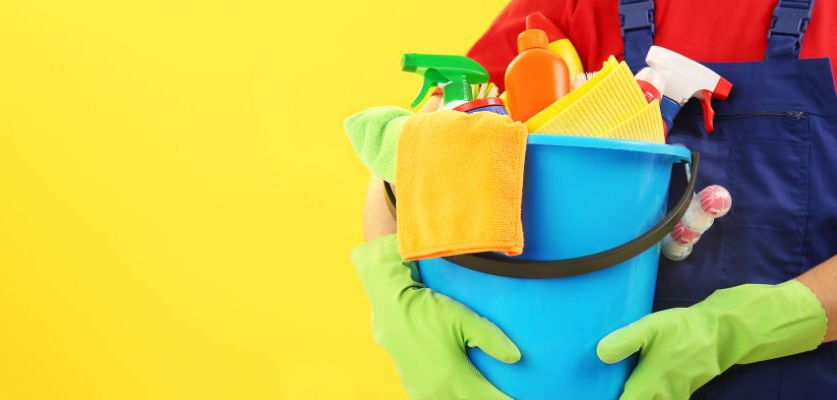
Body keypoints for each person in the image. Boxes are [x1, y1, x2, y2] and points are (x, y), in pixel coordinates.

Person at [350, 1, 837, 398]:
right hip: (562, 374)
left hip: (792, 381)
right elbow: (417, 151)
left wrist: (740, 330)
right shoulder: (572, 10)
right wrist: (397, 297)